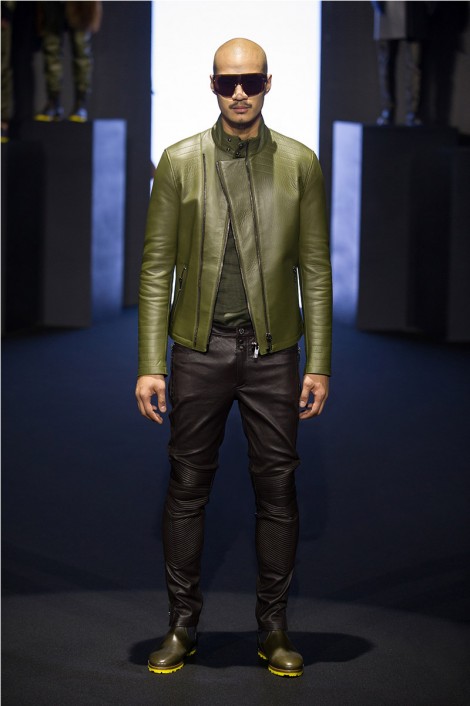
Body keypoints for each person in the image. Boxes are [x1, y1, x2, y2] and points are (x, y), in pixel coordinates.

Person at [135, 37, 332, 678]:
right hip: (199, 351)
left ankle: (273, 629)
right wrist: (151, 363)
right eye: (228, 82)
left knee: (277, 489)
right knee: (187, 487)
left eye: (250, 81)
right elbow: (155, 267)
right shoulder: (179, 161)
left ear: (269, 83)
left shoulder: (299, 164)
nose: (239, 93)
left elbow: (316, 269)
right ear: (213, 85)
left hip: (274, 354)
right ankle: (181, 626)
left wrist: (320, 362)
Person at [34, 1, 102, 123]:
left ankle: (80, 104)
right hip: (52, 4)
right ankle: (53, 102)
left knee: (81, 50)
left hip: (80, 4)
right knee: (51, 49)